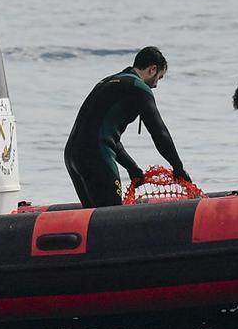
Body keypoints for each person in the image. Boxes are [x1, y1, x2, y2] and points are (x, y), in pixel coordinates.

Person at [64, 46, 190, 208]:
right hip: (96, 157)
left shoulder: (108, 81)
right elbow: (159, 132)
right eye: (159, 77)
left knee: (94, 219)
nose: (156, 85)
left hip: (73, 156)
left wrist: (132, 168)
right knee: (111, 219)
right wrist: (178, 167)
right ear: (152, 69)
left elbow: (105, 134)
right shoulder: (138, 88)